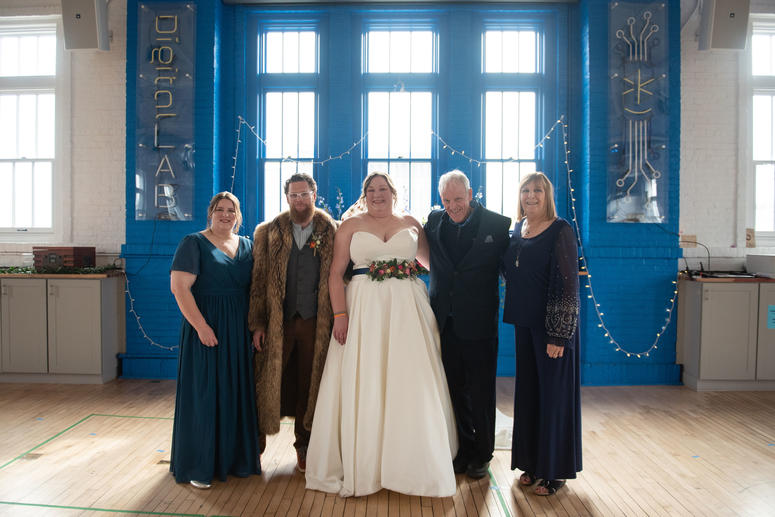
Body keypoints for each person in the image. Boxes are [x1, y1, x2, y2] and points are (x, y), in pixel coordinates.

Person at [305, 172, 458, 498]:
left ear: (393, 192)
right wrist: (340, 315)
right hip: (364, 310)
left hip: (408, 310)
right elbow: (335, 274)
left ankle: (414, 461)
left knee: (410, 380)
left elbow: (432, 265)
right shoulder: (349, 225)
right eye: (371, 190)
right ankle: (367, 462)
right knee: (368, 378)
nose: (378, 194)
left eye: (383, 189)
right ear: (365, 194)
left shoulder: (412, 222)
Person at [169, 192, 261, 489]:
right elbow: (180, 289)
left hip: (239, 329)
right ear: (210, 212)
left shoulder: (248, 246)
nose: (225, 215)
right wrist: (201, 326)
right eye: (220, 210)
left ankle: (235, 461)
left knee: (235, 392)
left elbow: (257, 291)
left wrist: (257, 327)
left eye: (231, 210)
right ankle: (200, 464)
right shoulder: (193, 243)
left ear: (238, 215)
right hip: (207, 327)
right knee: (205, 393)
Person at [423, 170, 511, 479]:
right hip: (444, 322)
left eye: (458, 199)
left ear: (471, 194)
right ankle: (464, 449)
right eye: (446, 200)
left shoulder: (498, 226)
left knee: (481, 391)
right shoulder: (433, 222)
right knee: (454, 390)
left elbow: (513, 269)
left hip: (479, 323)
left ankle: (483, 453)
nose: (453, 206)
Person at [249, 173, 337, 473]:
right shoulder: (268, 232)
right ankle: (255, 445)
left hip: (315, 322)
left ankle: (304, 446)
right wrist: (258, 323)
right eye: (293, 195)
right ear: (286, 197)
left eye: (304, 194)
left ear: (314, 193)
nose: (299, 200)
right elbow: (259, 282)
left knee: (309, 384)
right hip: (278, 323)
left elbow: (341, 278)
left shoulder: (332, 230)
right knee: (265, 381)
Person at [501, 172, 582, 496]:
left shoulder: (560, 230)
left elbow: (567, 285)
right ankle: (532, 463)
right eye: (525, 190)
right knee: (530, 397)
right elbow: (510, 269)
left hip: (552, 330)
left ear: (547, 195)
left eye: (537, 191)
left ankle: (555, 472)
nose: (530, 196)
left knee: (554, 400)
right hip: (525, 324)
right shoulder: (517, 231)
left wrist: (559, 335)